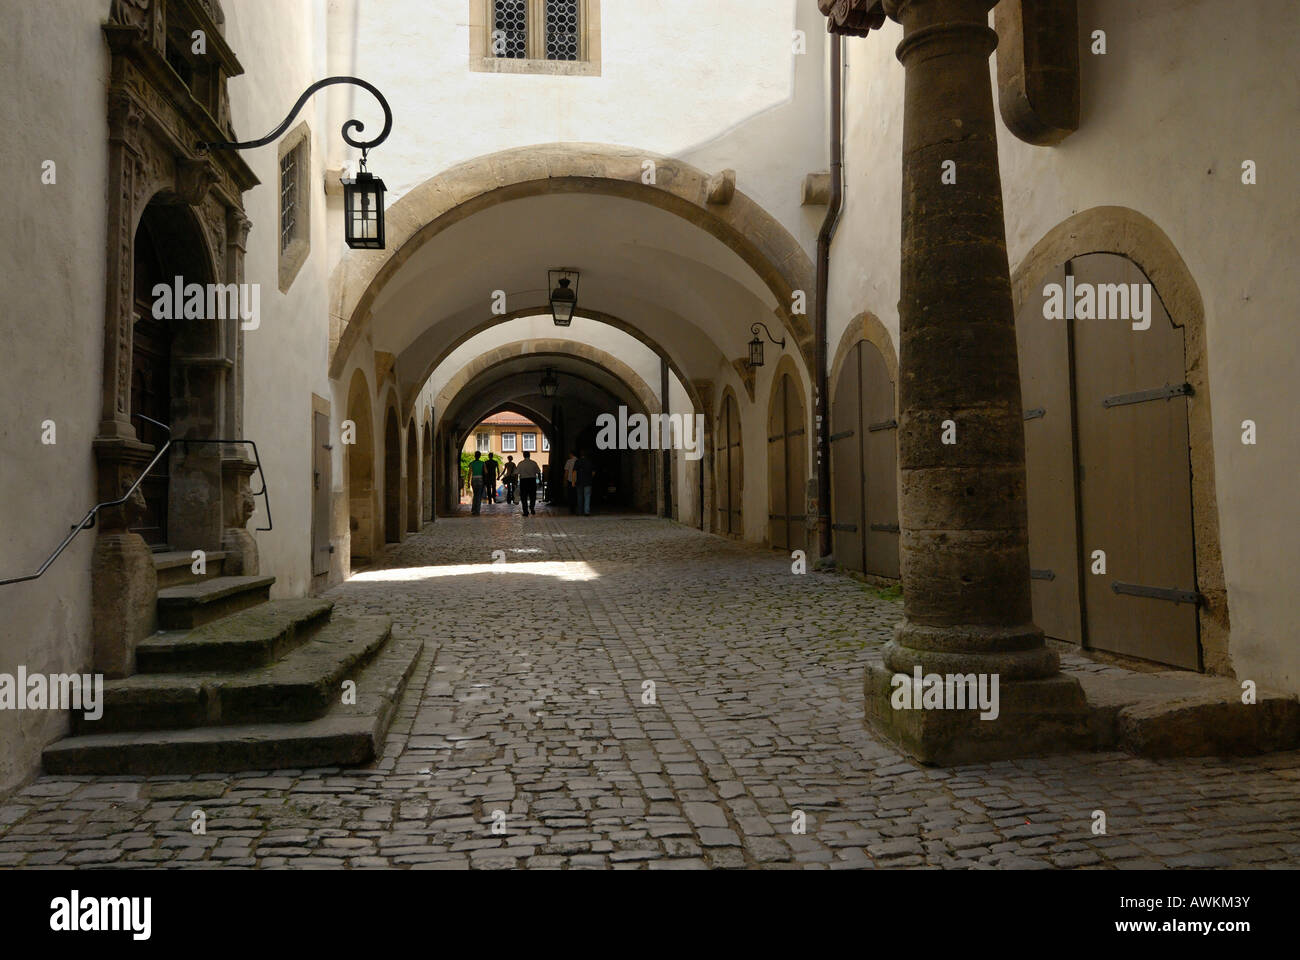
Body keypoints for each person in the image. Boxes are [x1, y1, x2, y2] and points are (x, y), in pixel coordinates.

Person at [516, 449, 541, 516]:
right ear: (529, 455)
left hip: (523, 481)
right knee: (532, 496)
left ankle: (525, 511)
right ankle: (532, 508)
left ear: (523, 456)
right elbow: (538, 472)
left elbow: (516, 473)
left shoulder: (520, 463)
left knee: (523, 497)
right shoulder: (534, 463)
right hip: (532, 481)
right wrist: (540, 481)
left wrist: (515, 481)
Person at [575, 449, 595, 516]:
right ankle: (587, 511)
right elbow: (593, 472)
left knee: (579, 497)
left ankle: (580, 511)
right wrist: (590, 477)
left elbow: (574, 472)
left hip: (579, 481)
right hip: (588, 481)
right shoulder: (590, 462)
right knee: (587, 496)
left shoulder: (577, 461)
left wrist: (573, 481)